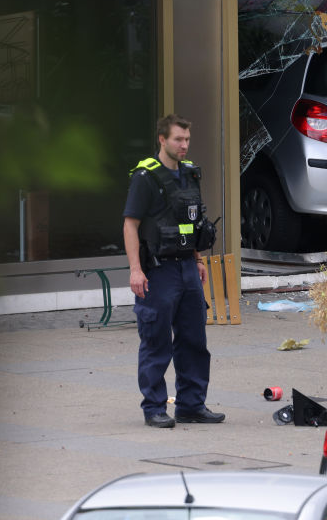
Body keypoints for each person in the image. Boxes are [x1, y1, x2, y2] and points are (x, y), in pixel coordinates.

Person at [123, 114, 224, 428]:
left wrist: (196, 259)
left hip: (186, 268)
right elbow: (130, 224)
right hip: (158, 271)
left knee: (194, 340)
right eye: (178, 139)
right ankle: (154, 408)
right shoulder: (145, 176)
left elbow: (189, 223)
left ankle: (191, 405)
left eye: (187, 139)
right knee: (156, 342)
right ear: (162, 140)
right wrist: (135, 270)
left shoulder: (190, 174)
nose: (184, 145)